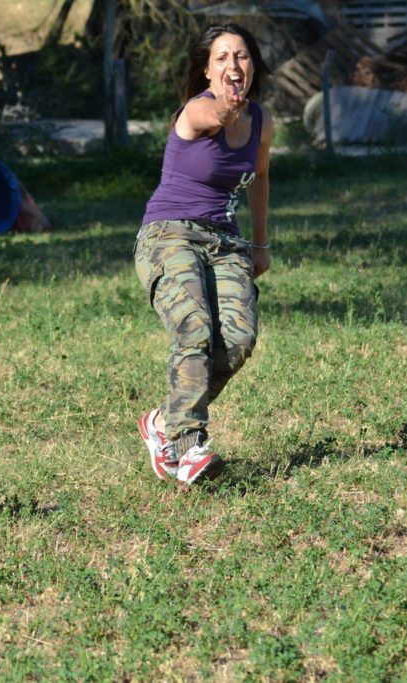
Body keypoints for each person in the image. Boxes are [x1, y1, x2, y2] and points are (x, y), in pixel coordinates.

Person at [134, 23, 273, 487]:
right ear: (207, 70)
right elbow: (218, 118)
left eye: (242, 56)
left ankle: (162, 422)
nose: (234, 66)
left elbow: (261, 179)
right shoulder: (198, 111)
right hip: (169, 235)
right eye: (222, 58)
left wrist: (261, 243)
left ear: (253, 65)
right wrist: (228, 104)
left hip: (226, 241)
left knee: (238, 339)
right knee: (194, 327)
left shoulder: (262, 121)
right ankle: (188, 444)